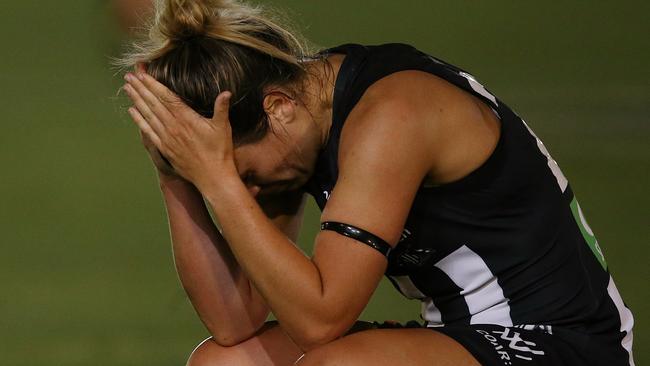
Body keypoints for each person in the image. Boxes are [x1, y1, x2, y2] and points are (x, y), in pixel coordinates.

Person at [120, 0, 635, 365]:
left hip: (556, 343)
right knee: (225, 364)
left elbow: (320, 321)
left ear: (279, 108)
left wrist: (218, 182)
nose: (247, 191)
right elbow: (235, 322)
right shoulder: (295, 129)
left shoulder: (392, 115)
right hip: (458, 337)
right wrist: (177, 173)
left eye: (245, 173)